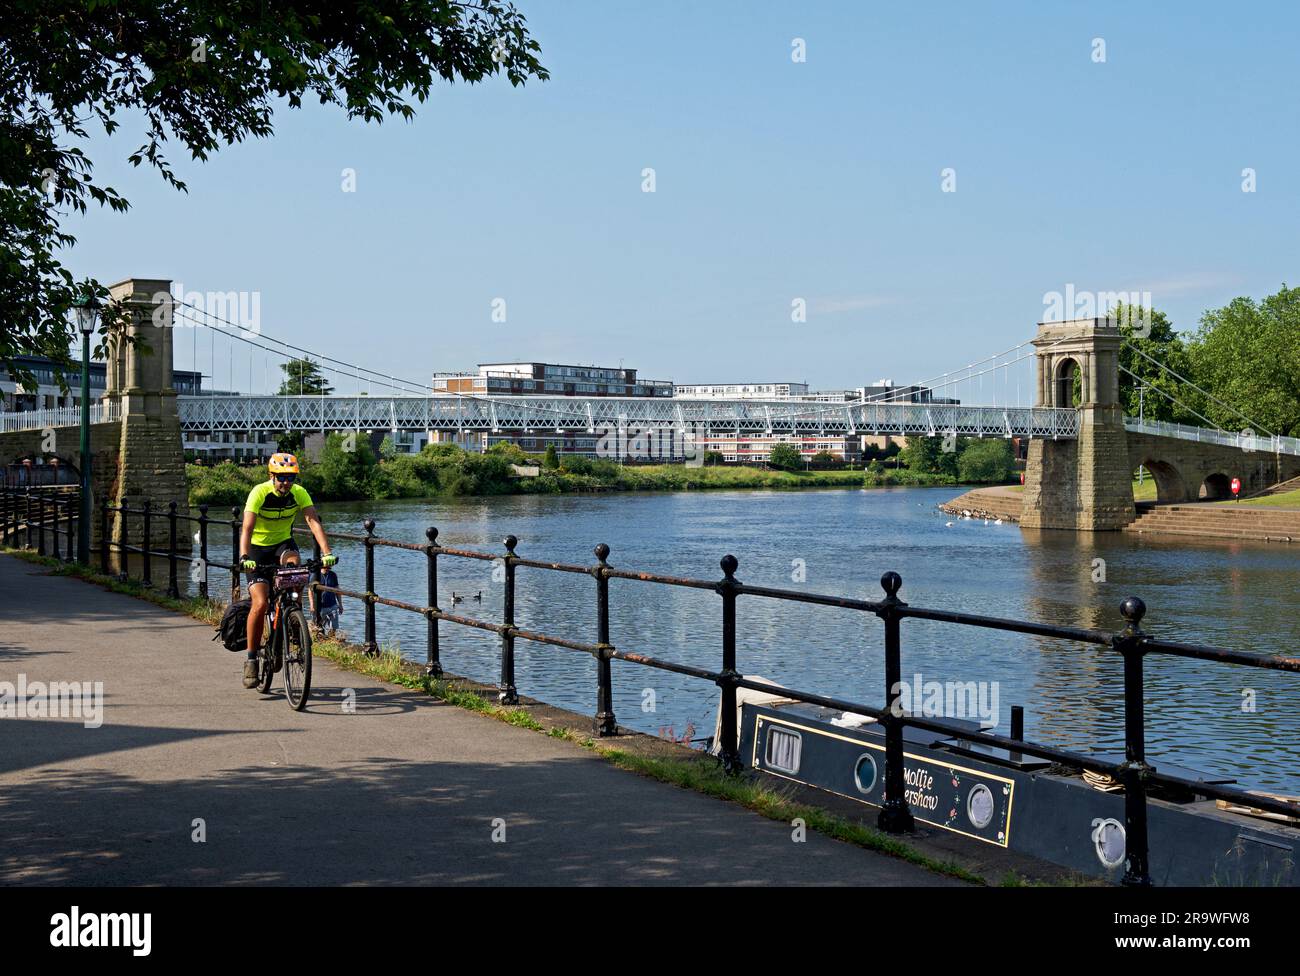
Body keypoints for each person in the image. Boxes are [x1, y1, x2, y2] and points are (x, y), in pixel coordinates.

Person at [238, 453, 336, 689]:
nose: (286, 483)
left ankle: (293, 621)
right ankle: (251, 659)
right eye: (281, 478)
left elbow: (313, 522)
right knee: (260, 603)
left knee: (296, 574)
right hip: (257, 549)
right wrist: (244, 557)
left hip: (283, 545)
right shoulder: (259, 493)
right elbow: (247, 528)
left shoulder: (299, 493)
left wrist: (326, 552)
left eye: (290, 478)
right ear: (271, 476)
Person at [308, 562, 344, 636]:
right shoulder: (315, 575)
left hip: (332, 604)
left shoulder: (333, 575)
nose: (327, 569)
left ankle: (332, 639)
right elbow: (310, 591)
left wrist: (340, 604)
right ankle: (319, 639)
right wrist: (312, 605)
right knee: (319, 627)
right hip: (320, 606)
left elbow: (337, 590)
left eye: (329, 568)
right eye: (325, 568)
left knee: (334, 627)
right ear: (321, 567)